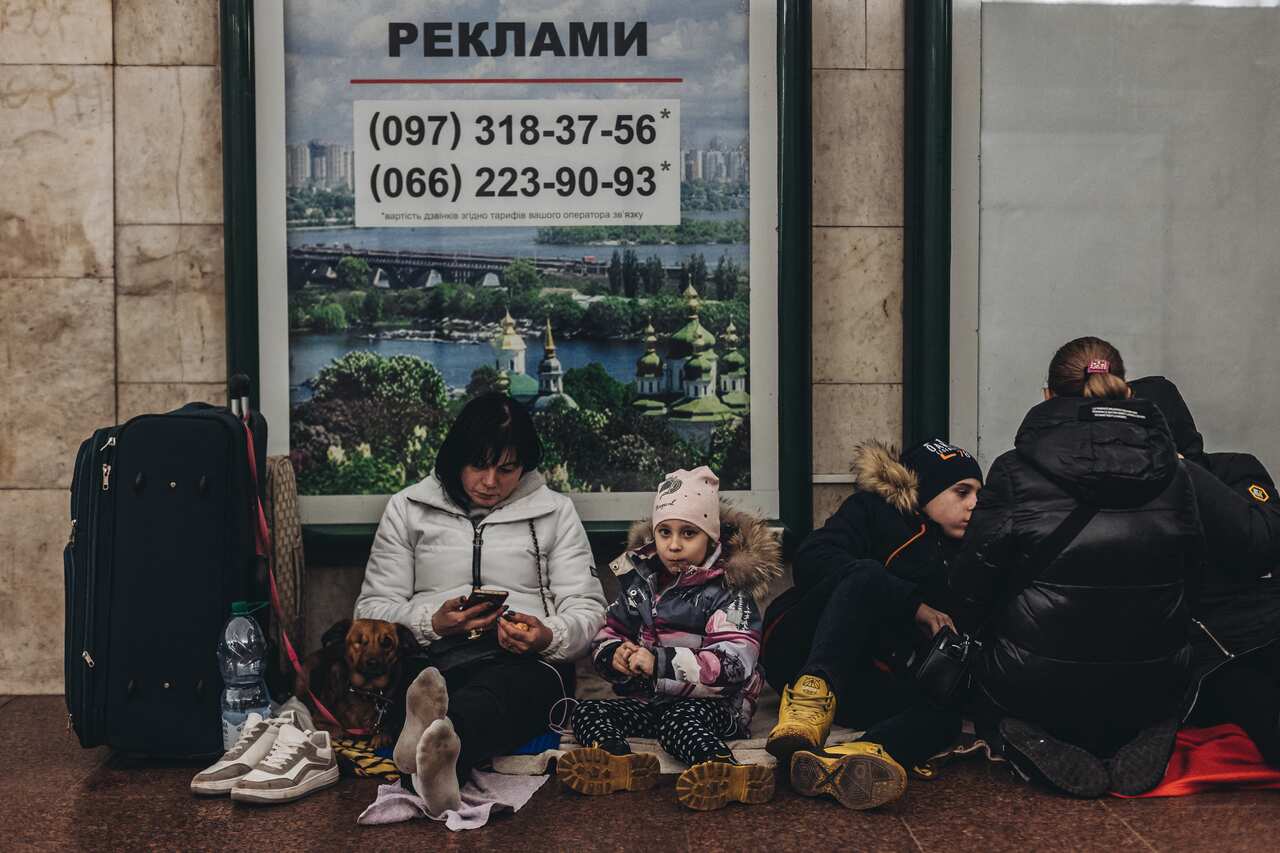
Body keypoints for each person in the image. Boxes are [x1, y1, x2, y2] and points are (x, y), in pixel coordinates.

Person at [949, 337, 1205, 798]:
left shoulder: (1013, 472)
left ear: (1047, 396)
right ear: (1124, 389)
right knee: (1149, 674)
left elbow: (973, 582)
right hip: (1153, 679)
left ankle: (1021, 733)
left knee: (984, 686)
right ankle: (1143, 728)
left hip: (1035, 683)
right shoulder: (1176, 474)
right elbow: (1195, 571)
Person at [356, 392, 607, 813]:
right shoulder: (407, 509)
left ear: (524, 464)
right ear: (456, 459)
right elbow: (370, 613)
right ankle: (433, 746)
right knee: (419, 680)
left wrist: (548, 634)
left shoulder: (555, 513)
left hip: (523, 662)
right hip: (432, 653)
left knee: (500, 693)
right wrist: (431, 623)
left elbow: (590, 610)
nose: (490, 482)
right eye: (479, 466)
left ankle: (435, 743)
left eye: (506, 469)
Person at [761, 439, 983, 809]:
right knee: (867, 575)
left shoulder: (965, 550)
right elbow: (813, 558)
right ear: (924, 489)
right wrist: (912, 604)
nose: (974, 504)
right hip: (799, 646)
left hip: (865, 670)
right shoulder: (873, 510)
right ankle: (808, 706)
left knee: (944, 718)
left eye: (978, 493)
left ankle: (857, 756)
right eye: (962, 492)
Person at [556, 466, 782, 811]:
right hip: (653, 702)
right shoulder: (642, 584)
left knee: (678, 723)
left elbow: (734, 664)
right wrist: (614, 654)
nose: (674, 545)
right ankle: (618, 762)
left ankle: (723, 768)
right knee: (588, 711)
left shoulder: (728, 592)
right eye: (665, 532)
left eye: (688, 533)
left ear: (711, 538)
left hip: (717, 706)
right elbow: (610, 630)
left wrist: (659, 663)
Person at [1129, 376, 1280, 766]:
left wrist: (1184, 471)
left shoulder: (1235, 468)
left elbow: (1260, 543)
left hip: (1266, 622)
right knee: (1249, 691)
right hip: (1209, 659)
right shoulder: (1126, 498)